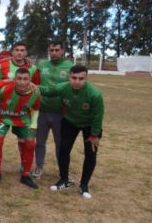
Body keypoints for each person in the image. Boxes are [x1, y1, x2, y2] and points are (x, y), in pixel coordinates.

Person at [40, 65, 104, 199]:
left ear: (86, 78)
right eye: (74, 78)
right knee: (63, 150)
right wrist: (29, 85)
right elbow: (47, 91)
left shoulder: (95, 94)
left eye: (81, 78)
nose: (77, 81)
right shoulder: (63, 87)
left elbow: (98, 115)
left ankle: (84, 185)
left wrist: (94, 134)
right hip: (70, 122)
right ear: (69, 77)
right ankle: (64, 180)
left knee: (90, 154)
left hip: (89, 125)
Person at [0, 68, 41, 189]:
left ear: (30, 80)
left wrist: (34, 124)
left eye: (25, 79)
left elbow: (35, 109)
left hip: (23, 119)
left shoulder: (35, 92)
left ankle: (25, 175)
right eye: (19, 79)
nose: (22, 82)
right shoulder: (6, 89)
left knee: (30, 144)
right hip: (4, 117)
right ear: (14, 80)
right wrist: (5, 82)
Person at [32, 40, 73, 178]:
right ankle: (39, 167)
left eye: (57, 50)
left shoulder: (69, 67)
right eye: (51, 50)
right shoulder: (42, 65)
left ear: (62, 51)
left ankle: (63, 171)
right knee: (40, 142)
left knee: (60, 144)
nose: (54, 53)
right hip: (42, 111)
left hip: (61, 113)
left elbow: (71, 89)